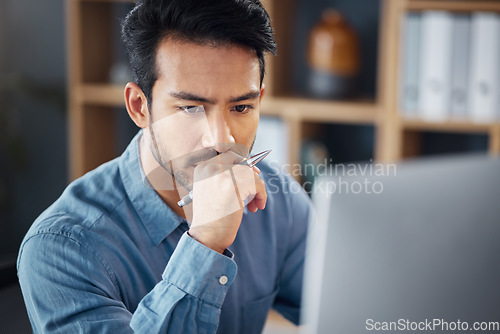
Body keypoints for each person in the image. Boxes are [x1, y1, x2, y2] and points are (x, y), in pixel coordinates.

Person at [17, 0, 312, 332]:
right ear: (139, 107)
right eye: (190, 108)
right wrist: (206, 243)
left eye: (241, 107)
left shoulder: (279, 197)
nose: (220, 139)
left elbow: (347, 309)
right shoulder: (60, 248)